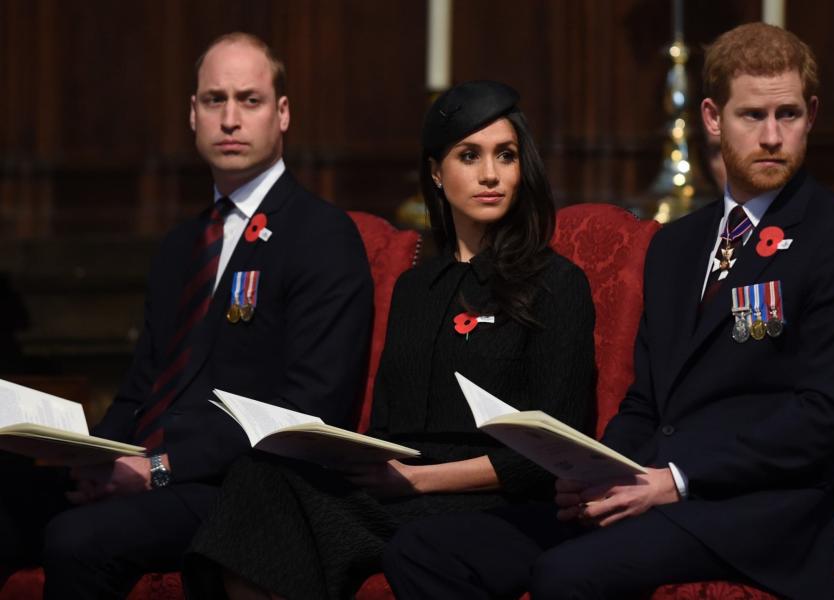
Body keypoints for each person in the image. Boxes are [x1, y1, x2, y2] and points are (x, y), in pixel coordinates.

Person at [383, 23, 834, 600]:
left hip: (759, 513)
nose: (772, 136)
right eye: (752, 116)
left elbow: (822, 420)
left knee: (567, 573)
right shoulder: (677, 244)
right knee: (427, 552)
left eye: (789, 115)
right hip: (650, 487)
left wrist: (674, 481)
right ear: (711, 117)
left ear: (813, 115)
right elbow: (647, 402)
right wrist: (599, 473)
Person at [181, 80, 597, 600]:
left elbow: (554, 452)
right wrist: (353, 456)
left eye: (505, 156)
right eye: (469, 156)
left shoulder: (558, 283)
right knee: (259, 477)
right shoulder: (415, 288)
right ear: (436, 174)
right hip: (401, 489)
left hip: (497, 500)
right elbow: (387, 427)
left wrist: (421, 480)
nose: (490, 174)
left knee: (369, 529)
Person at [0, 32, 373, 598]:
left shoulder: (321, 235)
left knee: (77, 539)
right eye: (213, 100)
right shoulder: (181, 246)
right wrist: (92, 458)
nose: (229, 118)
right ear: (191, 114)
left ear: (283, 114)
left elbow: (308, 410)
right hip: (148, 468)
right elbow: (142, 388)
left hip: (236, 486)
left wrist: (159, 470)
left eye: (249, 100)